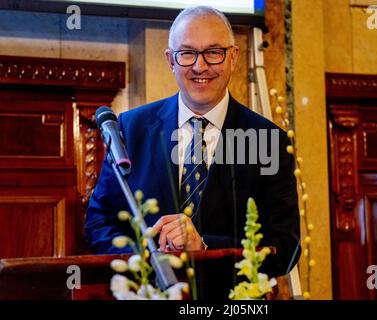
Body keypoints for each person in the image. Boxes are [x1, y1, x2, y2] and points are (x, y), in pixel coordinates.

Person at [85, 6, 300, 280]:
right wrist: (145, 258)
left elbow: (285, 248)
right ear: (171, 60)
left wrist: (206, 247)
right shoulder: (131, 128)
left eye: (213, 52)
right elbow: (99, 221)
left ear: (233, 57)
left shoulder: (269, 141)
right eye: (187, 53)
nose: (200, 66)